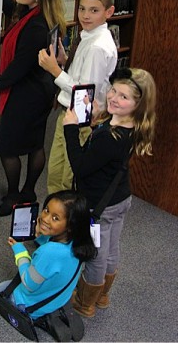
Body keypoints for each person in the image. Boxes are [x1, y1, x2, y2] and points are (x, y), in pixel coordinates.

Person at [63, 67, 156, 318]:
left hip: (98, 205)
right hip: (119, 198)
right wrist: (98, 118)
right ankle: (102, 295)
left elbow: (81, 166)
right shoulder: (131, 124)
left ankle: (85, 302)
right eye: (114, 90)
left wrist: (70, 128)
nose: (114, 98)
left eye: (123, 97)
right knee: (112, 248)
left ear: (138, 104)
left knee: (95, 254)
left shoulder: (109, 139)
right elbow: (108, 138)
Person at [0, 0, 67, 217]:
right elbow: (11, 5)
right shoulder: (35, 13)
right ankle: (29, 192)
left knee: (6, 147)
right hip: (42, 88)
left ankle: (14, 196)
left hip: (29, 94)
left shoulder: (36, 25)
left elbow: (20, 65)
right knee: (35, 143)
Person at [38, 0, 118, 194]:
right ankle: (55, 216)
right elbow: (81, 76)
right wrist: (64, 62)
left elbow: (85, 94)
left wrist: (55, 70)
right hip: (69, 114)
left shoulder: (97, 47)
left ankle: (66, 222)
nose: (85, 15)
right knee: (56, 172)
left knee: (68, 178)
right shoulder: (87, 36)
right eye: (82, 8)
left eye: (94, 10)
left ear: (109, 12)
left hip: (81, 118)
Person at [0, 190, 97, 319]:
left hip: (33, 306)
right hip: (57, 300)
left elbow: (28, 284)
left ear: (70, 225)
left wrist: (20, 251)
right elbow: (52, 246)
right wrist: (39, 234)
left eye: (55, 218)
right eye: (47, 210)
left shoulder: (48, 253)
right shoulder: (77, 241)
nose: (45, 218)